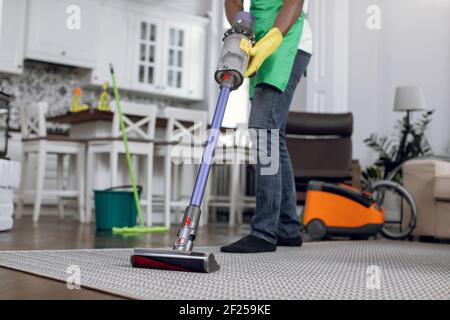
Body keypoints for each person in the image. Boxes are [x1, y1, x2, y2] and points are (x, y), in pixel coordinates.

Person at [221, 0, 313, 253]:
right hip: (259, 40)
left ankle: (264, 231)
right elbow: (233, 1)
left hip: (286, 39)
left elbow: (294, 2)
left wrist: (273, 37)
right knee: (274, 134)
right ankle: (286, 227)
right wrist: (240, 28)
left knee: (262, 130)